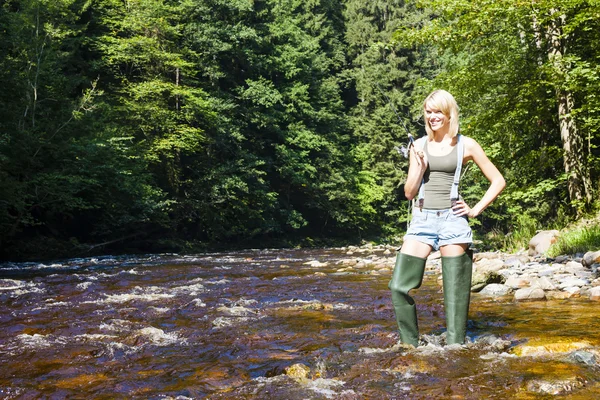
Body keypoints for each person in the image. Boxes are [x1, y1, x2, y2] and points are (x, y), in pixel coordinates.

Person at [389, 89, 505, 347]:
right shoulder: (417, 145)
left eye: (437, 111)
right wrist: (419, 168)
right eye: (428, 112)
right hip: (422, 220)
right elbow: (409, 193)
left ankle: (455, 351)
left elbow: (498, 180)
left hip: (453, 221)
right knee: (398, 286)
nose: (432, 117)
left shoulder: (467, 144)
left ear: (449, 113)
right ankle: (410, 346)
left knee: (455, 296)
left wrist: (474, 210)